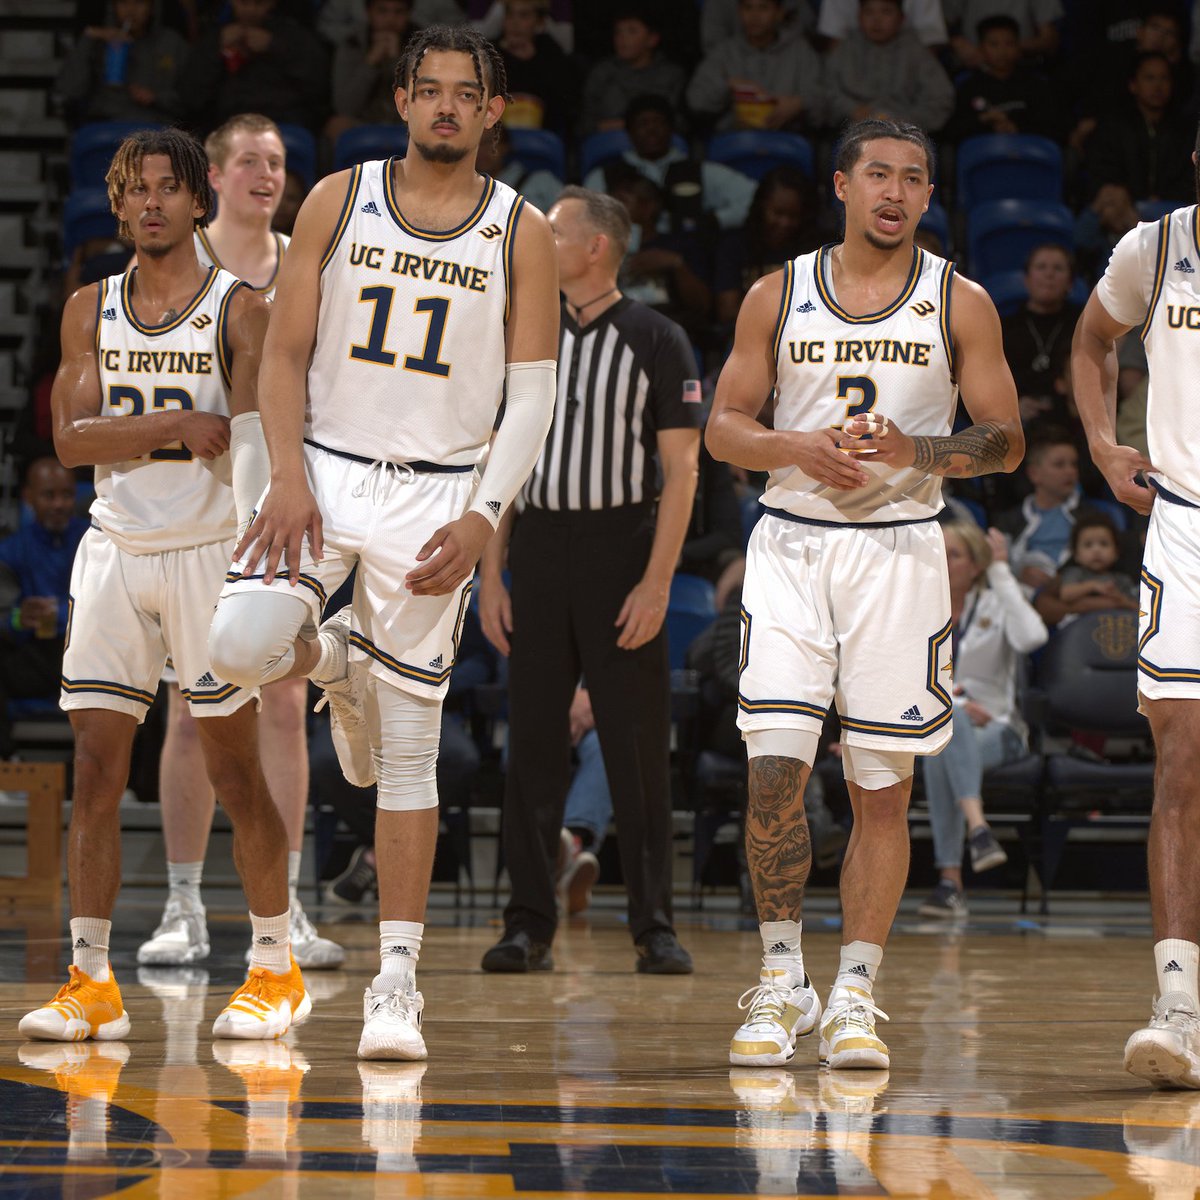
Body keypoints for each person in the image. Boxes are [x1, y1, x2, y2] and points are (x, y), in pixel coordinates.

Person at [206, 25, 560, 1061]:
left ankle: (395, 987)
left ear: (491, 111)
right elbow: (284, 354)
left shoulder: (521, 228)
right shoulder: (338, 196)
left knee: (409, 752)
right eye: (429, 89)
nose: (446, 106)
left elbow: (534, 394)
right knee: (236, 649)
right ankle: (337, 660)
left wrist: (485, 515)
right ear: (401, 100)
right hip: (321, 467)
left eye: (466, 93)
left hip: (439, 490)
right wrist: (283, 475)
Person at [706, 117, 1023, 1071]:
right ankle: (781, 981)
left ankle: (854, 993)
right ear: (841, 186)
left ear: (929, 195)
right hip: (792, 545)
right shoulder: (777, 292)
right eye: (877, 174)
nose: (895, 191)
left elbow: (1005, 440)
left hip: (899, 554)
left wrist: (916, 449)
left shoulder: (960, 301)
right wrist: (792, 446)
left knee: (881, 789)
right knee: (775, 774)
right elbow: (723, 427)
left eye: (913, 178)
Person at [19, 128, 308, 1043]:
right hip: (115, 549)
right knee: (96, 770)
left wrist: (264, 562)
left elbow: (254, 443)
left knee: (233, 768)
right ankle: (91, 980)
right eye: (135, 189)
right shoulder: (89, 307)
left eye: (168, 188)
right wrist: (176, 424)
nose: (151, 202)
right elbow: (69, 442)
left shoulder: (240, 309)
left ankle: (276, 965)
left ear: (196, 202)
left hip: (209, 550)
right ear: (117, 204)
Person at [136, 112, 343, 972]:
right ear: (213, 178)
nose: (267, 174)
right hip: (191, 510)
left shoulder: (308, 264)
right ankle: (182, 907)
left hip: (281, 505)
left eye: (278, 161)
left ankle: (285, 908)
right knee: (191, 710)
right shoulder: (174, 266)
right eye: (251, 160)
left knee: (285, 705)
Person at [477, 186, 701, 976]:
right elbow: (500, 462)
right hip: (538, 546)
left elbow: (683, 471)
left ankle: (654, 925)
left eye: (554, 231)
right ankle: (527, 923)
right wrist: (492, 574)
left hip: (621, 549)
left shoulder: (657, 337)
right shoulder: (523, 331)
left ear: (596, 246)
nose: (538, 241)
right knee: (532, 747)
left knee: (636, 750)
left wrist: (657, 582)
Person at [1072, 118, 1200, 1090]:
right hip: (1187, 528)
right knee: (1181, 764)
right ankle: (1179, 1008)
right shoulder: (1153, 250)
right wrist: (1103, 444)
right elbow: (1091, 340)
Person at [917, 521, 1048, 917]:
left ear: (976, 565)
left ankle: (950, 882)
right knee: (948, 726)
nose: (942, 561)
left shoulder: (996, 603)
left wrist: (1001, 570)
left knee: (943, 739)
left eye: (953, 555)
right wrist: (954, 702)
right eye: (937, 553)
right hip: (937, 727)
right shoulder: (917, 607)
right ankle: (979, 830)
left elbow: (1033, 637)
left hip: (998, 728)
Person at [0, 458, 89, 760]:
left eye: (66, 495)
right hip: (36, 658)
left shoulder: (95, 542)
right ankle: (7, 762)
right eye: (49, 495)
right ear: (28, 497)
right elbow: (4, 617)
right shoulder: (10, 550)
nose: (59, 504)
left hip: (87, 655)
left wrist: (63, 615)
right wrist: (18, 618)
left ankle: (139, 782)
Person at [583, 94, 757, 233]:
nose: (651, 130)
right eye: (642, 123)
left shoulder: (701, 171)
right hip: (627, 256)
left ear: (672, 129)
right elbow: (586, 221)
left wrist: (712, 220)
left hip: (687, 254)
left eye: (659, 122)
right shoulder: (604, 176)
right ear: (629, 132)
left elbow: (755, 199)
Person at [181, 0, 330, 135]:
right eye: (244, 2)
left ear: (271, 3)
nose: (250, 10)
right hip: (226, 123)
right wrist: (216, 48)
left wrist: (274, 45)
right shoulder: (213, 38)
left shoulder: (296, 37)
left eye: (259, 3)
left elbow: (317, 87)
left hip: (283, 121)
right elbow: (191, 96)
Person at [685, 0, 825, 134]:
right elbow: (695, 101)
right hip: (734, 140)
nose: (754, 16)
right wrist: (728, 85)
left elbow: (824, 103)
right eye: (748, 7)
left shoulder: (800, 51)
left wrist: (799, 104)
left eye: (763, 8)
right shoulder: (724, 52)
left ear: (779, 13)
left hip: (788, 141)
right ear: (739, 12)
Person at [823, 0, 955, 136]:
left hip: (906, 134)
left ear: (901, 18)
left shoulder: (916, 52)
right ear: (858, 17)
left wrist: (904, 122)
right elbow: (826, 90)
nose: (877, 20)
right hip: (851, 132)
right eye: (869, 12)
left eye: (886, 12)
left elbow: (940, 97)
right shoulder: (845, 50)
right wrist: (852, 110)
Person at [56, 0, 188, 128]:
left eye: (139, 2)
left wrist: (156, 98)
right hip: (106, 127)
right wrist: (89, 37)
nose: (131, 10)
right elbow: (69, 90)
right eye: (123, 2)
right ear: (113, 6)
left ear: (153, 6)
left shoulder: (172, 43)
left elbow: (190, 99)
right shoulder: (98, 42)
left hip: (157, 126)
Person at [1000, 244, 1083, 430]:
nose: (1049, 274)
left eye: (1058, 268)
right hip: (1015, 420)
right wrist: (1012, 406)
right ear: (1027, 279)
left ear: (1070, 282)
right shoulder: (1004, 327)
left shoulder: (1084, 325)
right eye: (1041, 267)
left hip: (1073, 419)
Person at [945, 14, 1062, 143]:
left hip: (1029, 150)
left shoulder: (1036, 85)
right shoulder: (969, 87)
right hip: (981, 152)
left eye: (1009, 43)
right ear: (981, 48)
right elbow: (951, 132)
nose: (1002, 51)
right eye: (994, 44)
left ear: (1018, 47)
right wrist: (984, 119)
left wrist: (1016, 127)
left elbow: (1056, 128)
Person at [579, 10, 686, 135]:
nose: (622, 38)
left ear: (652, 39)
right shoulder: (601, 72)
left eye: (632, 31)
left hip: (658, 142)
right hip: (610, 140)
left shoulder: (672, 75)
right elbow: (584, 124)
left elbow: (679, 123)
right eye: (618, 32)